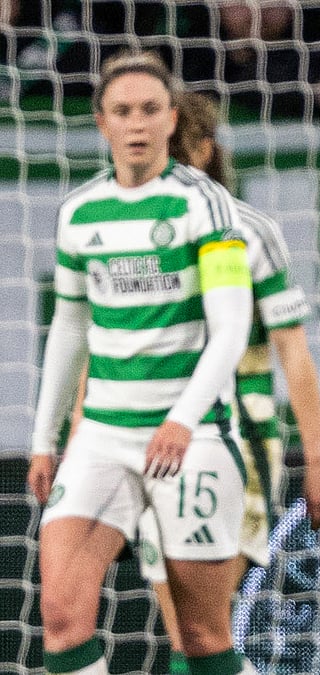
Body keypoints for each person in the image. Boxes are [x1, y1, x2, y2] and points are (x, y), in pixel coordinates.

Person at [27, 51, 256, 675]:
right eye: (122, 111)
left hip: (192, 437)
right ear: (101, 123)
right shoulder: (79, 213)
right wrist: (44, 441)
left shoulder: (205, 204)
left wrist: (183, 419)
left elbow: (231, 326)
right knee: (61, 619)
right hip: (102, 436)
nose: (136, 124)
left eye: (150, 110)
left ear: (171, 119)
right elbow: (68, 329)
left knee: (203, 638)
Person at [113, 90, 320, 674]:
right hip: (144, 440)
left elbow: (294, 351)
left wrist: (318, 458)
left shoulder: (247, 232)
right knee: (184, 634)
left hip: (233, 439)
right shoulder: (126, 233)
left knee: (204, 629)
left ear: (201, 151)